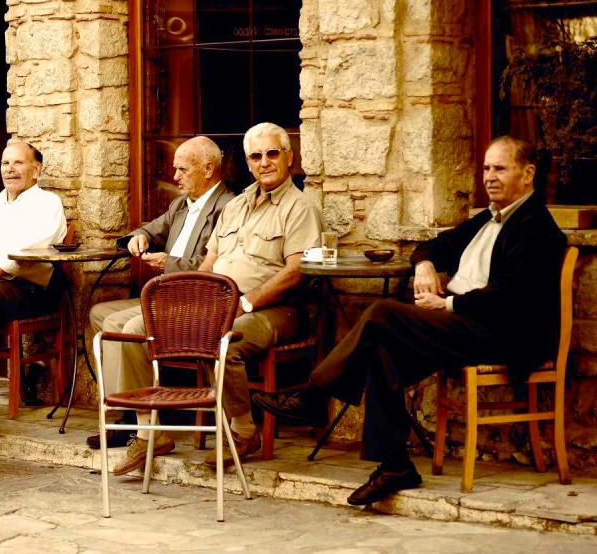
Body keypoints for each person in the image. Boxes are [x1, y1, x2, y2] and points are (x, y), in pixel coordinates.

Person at [254, 135, 567, 507]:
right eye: (485, 168)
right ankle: (395, 465)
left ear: (528, 174)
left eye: (500, 168)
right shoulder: (488, 218)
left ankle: (313, 396)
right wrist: (424, 264)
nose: (489, 177)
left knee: (384, 312)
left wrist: (446, 305)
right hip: (466, 324)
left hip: (501, 334)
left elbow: (508, 298)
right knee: (382, 349)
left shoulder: (537, 228)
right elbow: (434, 245)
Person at [106, 122, 322, 476]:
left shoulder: (300, 208)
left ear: (289, 158)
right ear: (249, 163)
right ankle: (149, 433)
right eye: (256, 156)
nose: (264, 162)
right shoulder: (235, 207)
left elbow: (297, 271)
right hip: (219, 303)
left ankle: (243, 431)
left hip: (271, 310)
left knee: (220, 340)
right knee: (136, 326)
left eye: (272, 154)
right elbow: (209, 263)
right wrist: (186, 302)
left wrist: (247, 301)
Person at [88, 135, 234, 450]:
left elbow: (218, 265)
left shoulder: (228, 207)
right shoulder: (180, 205)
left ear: (208, 169)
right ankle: (128, 409)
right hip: (166, 298)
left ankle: (133, 420)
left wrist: (170, 263)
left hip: (196, 301)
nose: (175, 177)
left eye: (182, 170)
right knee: (100, 313)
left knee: (121, 327)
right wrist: (138, 237)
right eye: (175, 169)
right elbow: (150, 228)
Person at [0, 140, 67, 377]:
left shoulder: (48, 203)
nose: (10, 168)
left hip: (28, 290)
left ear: (36, 170)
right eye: (5, 163)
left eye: (18, 162)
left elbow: (30, 249)